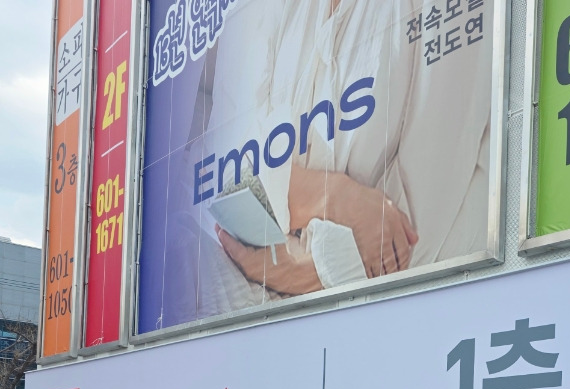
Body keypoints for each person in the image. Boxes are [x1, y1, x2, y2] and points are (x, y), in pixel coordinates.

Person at [189, 0, 494, 314]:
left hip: (405, 309)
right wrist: (335, 197)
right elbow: (224, 170)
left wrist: (304, 272)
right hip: (262, 292)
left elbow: (413, 241)